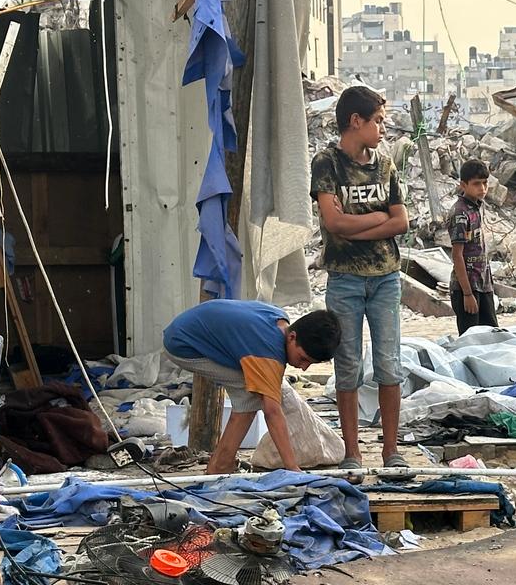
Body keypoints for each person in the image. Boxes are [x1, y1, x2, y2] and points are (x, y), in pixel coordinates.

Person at [310, 85, 414, 483]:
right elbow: (332, 224)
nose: (383, 129)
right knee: (348, 366)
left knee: (390, 364)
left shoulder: (384, 164)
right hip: (345, 280)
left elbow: (401, 222)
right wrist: (377, 219)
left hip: (385, 278)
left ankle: (392, 451)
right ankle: (352, 452)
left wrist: (359, 224)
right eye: (378, 121)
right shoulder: (327, 164)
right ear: (356, 121)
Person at [163, 302, 340, 474]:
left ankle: (223, 462)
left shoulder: (280, 319)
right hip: (182, 344)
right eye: (303, 359)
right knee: (250, 396)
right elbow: (272, 413)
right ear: (292, 336)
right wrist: (292, 467)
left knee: (255, 389)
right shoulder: (268, 354)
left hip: (184, 328)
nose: (303, 368)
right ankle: (220, 465)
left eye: (310, 363)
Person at [448, 159, 499, 335]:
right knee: (471, 341)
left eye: (485, 183)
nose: (482, 189)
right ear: (463, 185)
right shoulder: (460, 213)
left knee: (492, 337)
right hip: (467, 288)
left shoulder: (475, 207)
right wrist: (467, 294)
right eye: (477, 184)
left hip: (483, 285)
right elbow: (457, 255)